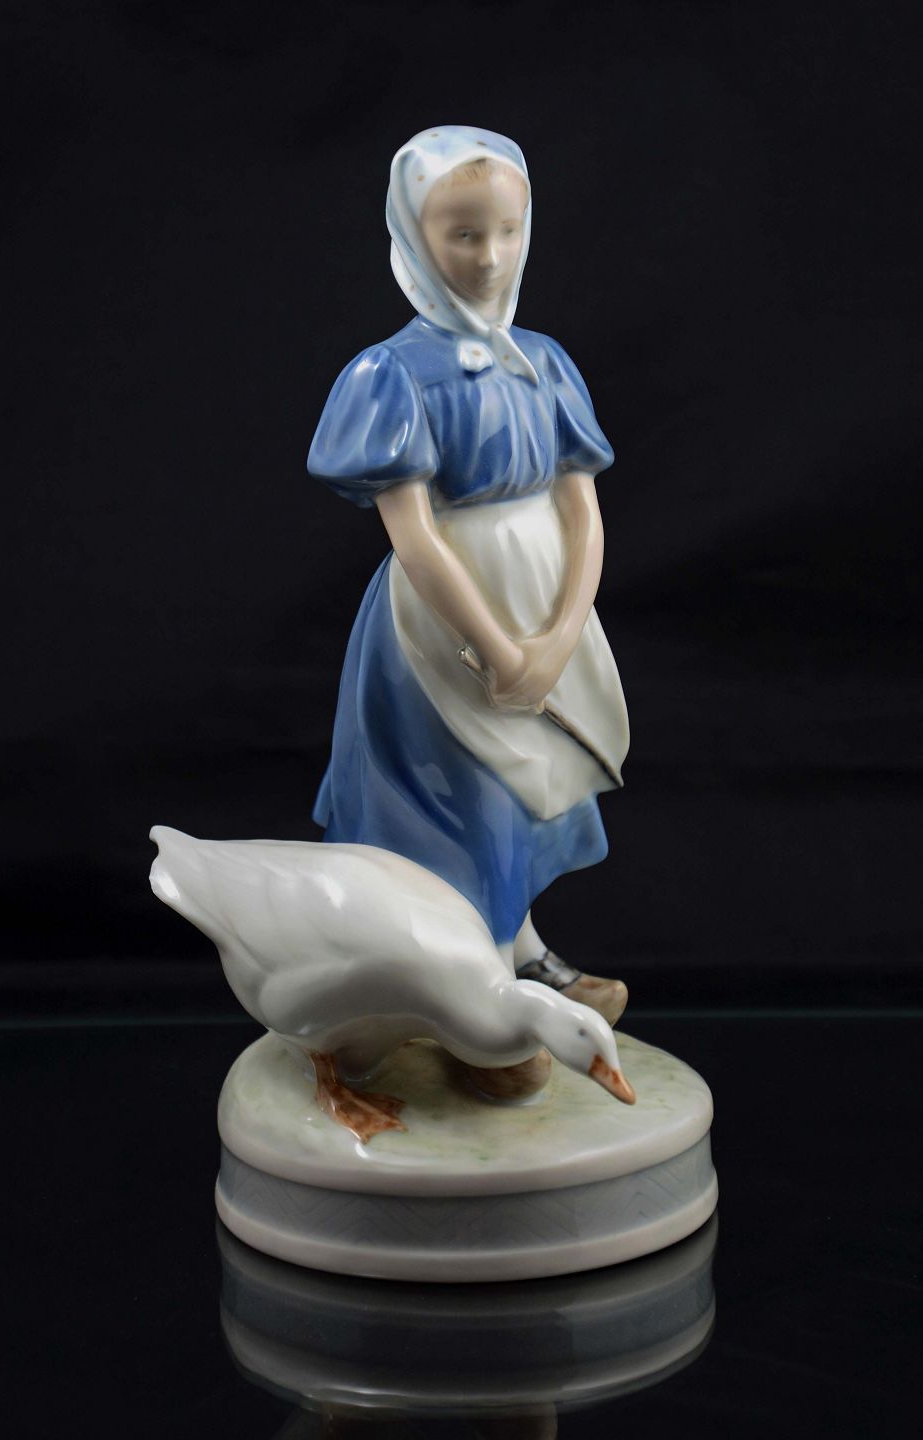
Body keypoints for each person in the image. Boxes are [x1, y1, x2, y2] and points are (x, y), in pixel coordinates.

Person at [307, 125, 630, 1033]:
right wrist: (497, 647)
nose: (489, 257)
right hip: (443, 623)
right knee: (463, 796)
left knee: (529, 790)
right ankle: (477, 1006)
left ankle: (520, 952)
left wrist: (560, 635)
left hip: (542, 602)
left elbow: (582, 511)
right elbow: (413, 534)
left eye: (506, 231)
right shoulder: (390, 374)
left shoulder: (546, 363)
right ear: (413, 236)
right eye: (461, 234)